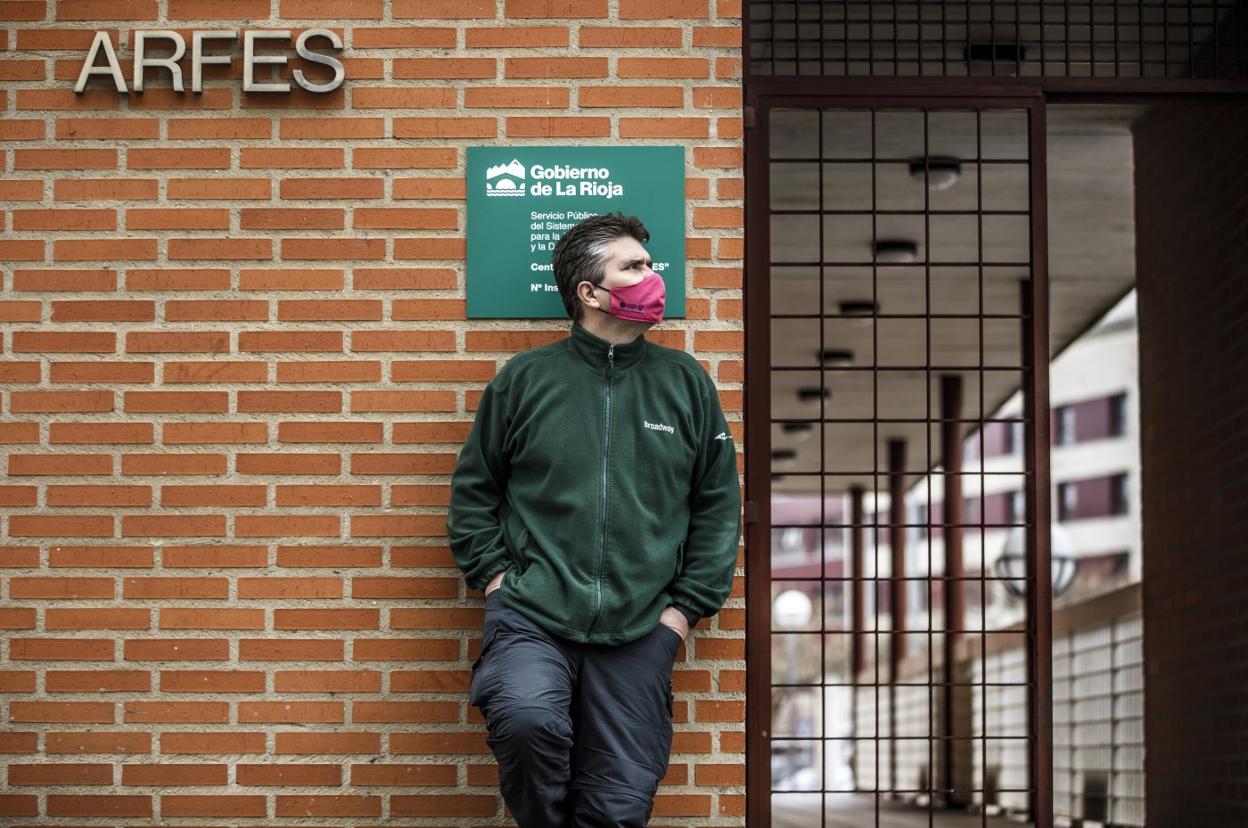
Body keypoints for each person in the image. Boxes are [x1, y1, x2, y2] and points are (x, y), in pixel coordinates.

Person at [446, 212, 741, 826]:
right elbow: (476, 491)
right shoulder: (526, 381)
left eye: (649, 265)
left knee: (619, 803)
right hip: (532, 613)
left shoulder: (685, 383)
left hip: (641, 627)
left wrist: (681, 613)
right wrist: (499, 579)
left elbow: (718, 506)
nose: (651, 276)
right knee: (526, 723)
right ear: (589, 292)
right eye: (633, 267)